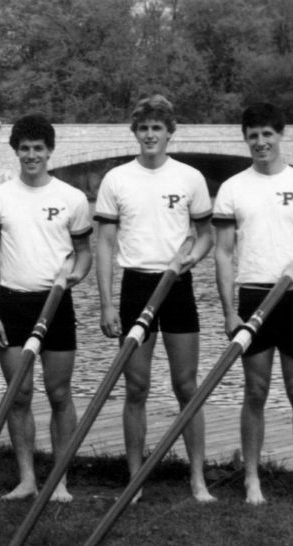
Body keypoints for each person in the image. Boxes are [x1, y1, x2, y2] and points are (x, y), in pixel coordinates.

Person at [95, 94, 215, 502]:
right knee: (136, 386)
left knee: (187, 385)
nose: (150, 135)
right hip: (135, 287)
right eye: (143, 128)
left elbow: (206, 236)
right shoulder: (116, 179)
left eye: (157, 129)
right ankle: (135, 479)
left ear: (169, 133)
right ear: (135, 133)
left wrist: (188, 261)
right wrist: (107, 303)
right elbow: (105, 244)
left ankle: (198, 478)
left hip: (176, 286)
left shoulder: (190, 178)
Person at [213, 103, 293, 506]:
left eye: (267, 134)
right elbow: (225, 255)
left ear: (281, 134)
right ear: (245, 138)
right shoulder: (232, 188)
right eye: (253, 135)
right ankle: (252, 481)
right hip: (252, 297)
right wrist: (230, 311)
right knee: (255, 391)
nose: (261, 142)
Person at [0, 114, 92, 502]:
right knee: (19, 394)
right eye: (24, 149)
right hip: (13, 304)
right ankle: (27, 478)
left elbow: (84, 253)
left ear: (49, 151)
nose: (31, 155)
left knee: (59, 394)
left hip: (57, 303)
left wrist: (74, 277)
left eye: (38, 149)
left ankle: (59, 480)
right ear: (15, 151)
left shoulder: (72, 198)